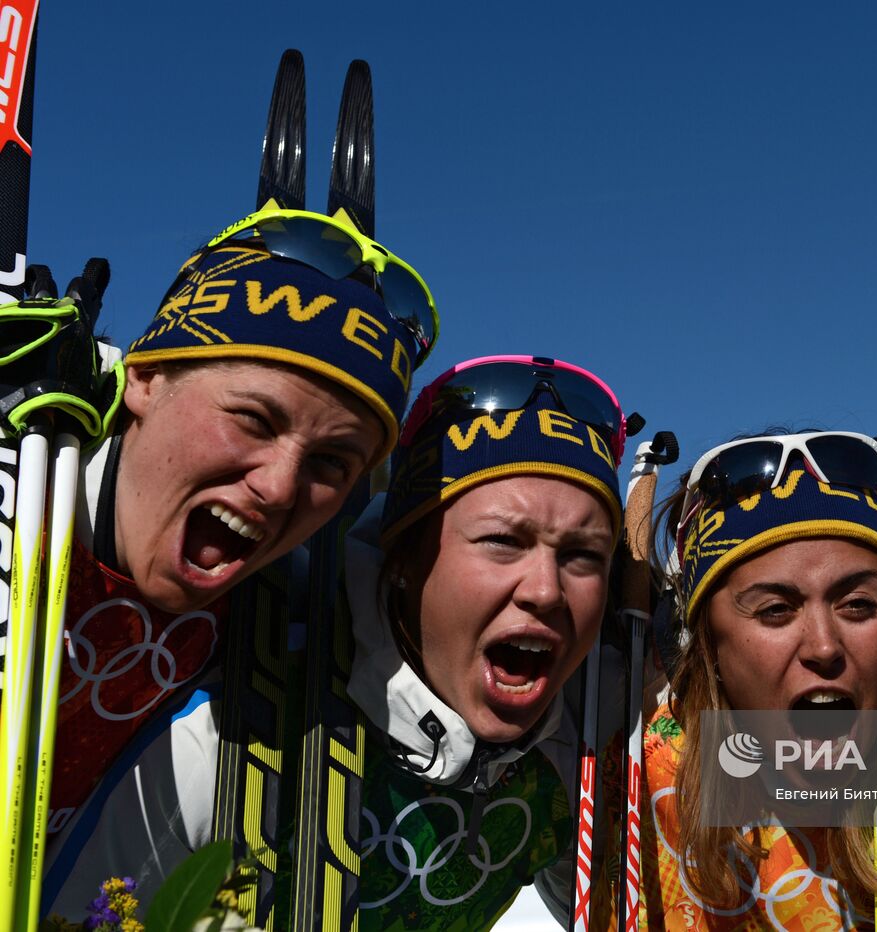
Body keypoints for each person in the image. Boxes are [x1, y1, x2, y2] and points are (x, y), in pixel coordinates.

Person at [38, 206, 437, 916]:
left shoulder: (293, 640)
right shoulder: (27, 494)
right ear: (147, 376)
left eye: (332, 463)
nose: (281, 486)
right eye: (253, 419)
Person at [639, 430, 877, 929]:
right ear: (711, 647)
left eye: (858, 605)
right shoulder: (636, 783)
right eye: (775, 609)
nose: (823, 646)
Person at [345, 354, 627, 929]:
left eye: (582, 556)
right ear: (403, 558)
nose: (547, 591)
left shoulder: (604, 719)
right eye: (502, 540)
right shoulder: (260, 679)